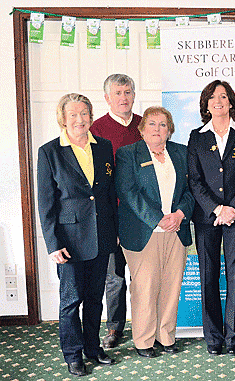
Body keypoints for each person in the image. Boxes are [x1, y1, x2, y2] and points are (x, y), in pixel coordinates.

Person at [37, 93, 117, 377]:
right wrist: (52, 244)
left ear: (91, 116)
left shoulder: (104, 147)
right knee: (71, 301)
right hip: (69, 241)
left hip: (101, 235)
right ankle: (73, 355)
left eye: (84, 113)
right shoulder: (49, 152)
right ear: (63, 118)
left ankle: (93, 348)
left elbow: (108, 194)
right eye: (73, 114)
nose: (80, 119)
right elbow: (46, 203)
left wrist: (114, 232)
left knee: (96, 298)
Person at [115, 106, 194, 358]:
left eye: (162, 124)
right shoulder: (128, 154)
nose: (157, 129)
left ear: (169, 129)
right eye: (151, 123)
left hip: (176, 230)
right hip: (143, 232)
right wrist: (158, 220)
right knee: (146, 288)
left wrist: (180, 214)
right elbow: (128, 192)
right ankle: (143, 341)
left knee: (172, 287)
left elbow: (193, 189)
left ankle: (166, 336)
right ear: (141, 128)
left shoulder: (181, 152)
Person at [188, 80, 235, 356]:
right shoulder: (197, 137)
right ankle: (214, 339)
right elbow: (194, 181)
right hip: (207, 219)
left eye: (223, 96)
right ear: (206, 105)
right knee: (208, 277)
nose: (218, 101)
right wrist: (218, 209)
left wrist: (232, 209)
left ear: (231, 102)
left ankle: (234, 339)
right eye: (212, 97)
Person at [90, 74, 142, 349]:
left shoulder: (145, 125)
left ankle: (146, 326)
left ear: (134, 95)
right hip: (111, 216)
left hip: (142, 217)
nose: (124, 98)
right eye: (118, 93)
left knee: (144, 277)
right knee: (114, 278)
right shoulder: (96, 129)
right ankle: (114, 328)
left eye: (128, 92)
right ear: (107, 98)